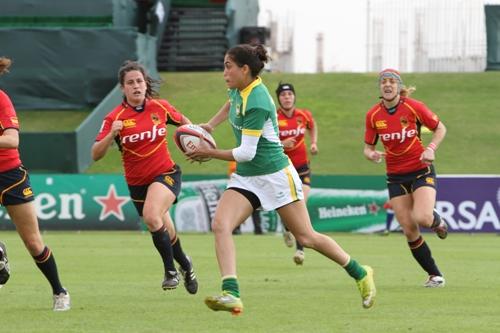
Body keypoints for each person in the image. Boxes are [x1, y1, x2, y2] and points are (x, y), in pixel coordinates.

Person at [187, 44, 376, 315]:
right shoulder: (238, 88)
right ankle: (232, 293)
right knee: (220, 225)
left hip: (275, 175)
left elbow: (244, 152)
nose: (224, 72)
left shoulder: (260, 99)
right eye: (224, 65)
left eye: (228, 66)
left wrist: (208, 152)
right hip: (248, 177)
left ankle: (360, 272)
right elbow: (231, 102)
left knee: (307, 237)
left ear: (245, 69)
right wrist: (210, 125)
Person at [91, 60, 198, 294]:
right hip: (137, 183)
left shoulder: (160, 107)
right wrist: (111, 135)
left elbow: (187, 126)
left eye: (139, 81)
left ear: (145, 83)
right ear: (123, 88)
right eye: (130, 83)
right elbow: (96, 154)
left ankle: (170, 271)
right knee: (164, 228)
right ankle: (186, 264)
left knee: (151, 216)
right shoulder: (114, 118)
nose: (136, 86)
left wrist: (195, 146)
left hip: (166, 173)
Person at [363, 68, 448, 288]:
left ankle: (435, 219)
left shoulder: (414, 107)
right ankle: (434, 275)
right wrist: (371, 154)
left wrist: (431, 148)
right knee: (409, 229)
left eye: (392, 82)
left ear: (400, 87)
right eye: (384, 82)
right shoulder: (373, 115)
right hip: (395, 177)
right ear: (380, 87)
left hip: (421, 169)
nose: (387, 85)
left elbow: (440, 128)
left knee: (422, 218)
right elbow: (367, 147)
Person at [0, 57, 70, 310]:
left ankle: (59, 291)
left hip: (10, 176)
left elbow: (11, 140)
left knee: (33, 242)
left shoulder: (2, 100)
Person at [276, 82, 318, 265]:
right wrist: (282, 144)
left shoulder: (304, 115)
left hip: (302, 168)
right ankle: (286, 228)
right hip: (282, 169)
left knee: (301, 204)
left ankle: (300, 251)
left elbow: (313, 126)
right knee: (288, 208)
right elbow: (263, 141)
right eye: (283, 95)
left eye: (290, 94)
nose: (287, 97)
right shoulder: (274, 118)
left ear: (294, 97)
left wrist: (313, 142)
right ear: (279, 98)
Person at [227, 161, 263, 235]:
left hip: (251, 188)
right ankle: (236, 229)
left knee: (254, 210)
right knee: (240, 210)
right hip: (240, 187)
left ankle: (258, 229)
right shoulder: (235, 160)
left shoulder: (237, 159)